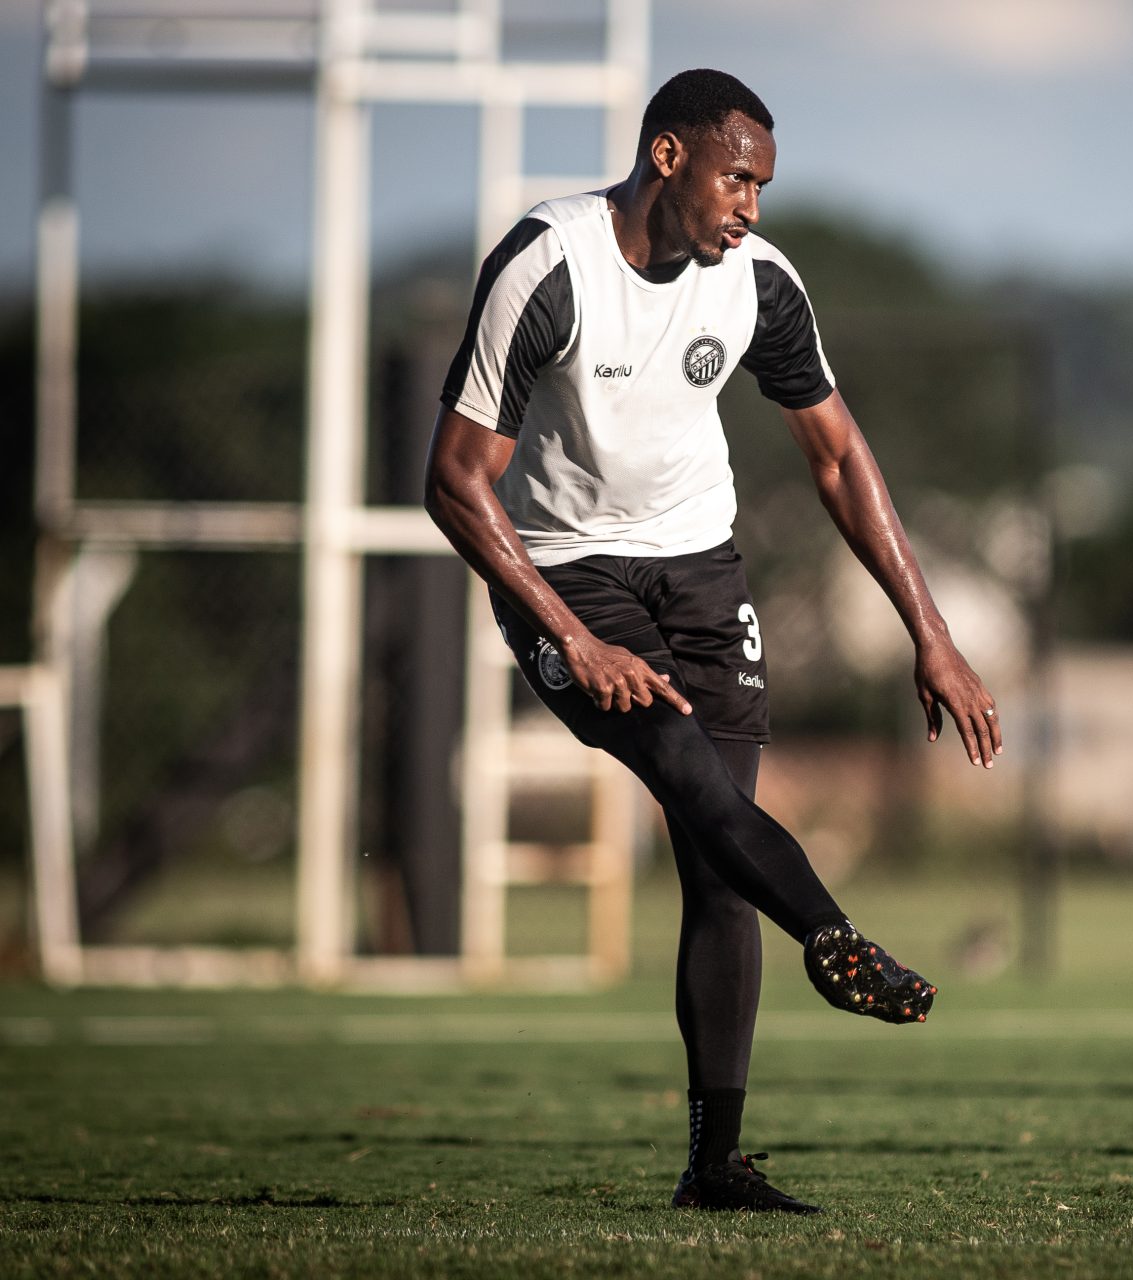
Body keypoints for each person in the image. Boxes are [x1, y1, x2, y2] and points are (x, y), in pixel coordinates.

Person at [425, 69, 1003, 1212]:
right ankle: (836, 941)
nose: (752, 206)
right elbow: (454, 479)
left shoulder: (760, 284)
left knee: (719, 859)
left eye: (766, 187)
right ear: (669, 156)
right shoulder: (551, 262)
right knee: (693, 780)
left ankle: (714, 1166)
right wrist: (571, 636)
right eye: (739, 177)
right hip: (569, 575)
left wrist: (931, 634)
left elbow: (838, 457)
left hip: (702, 572)